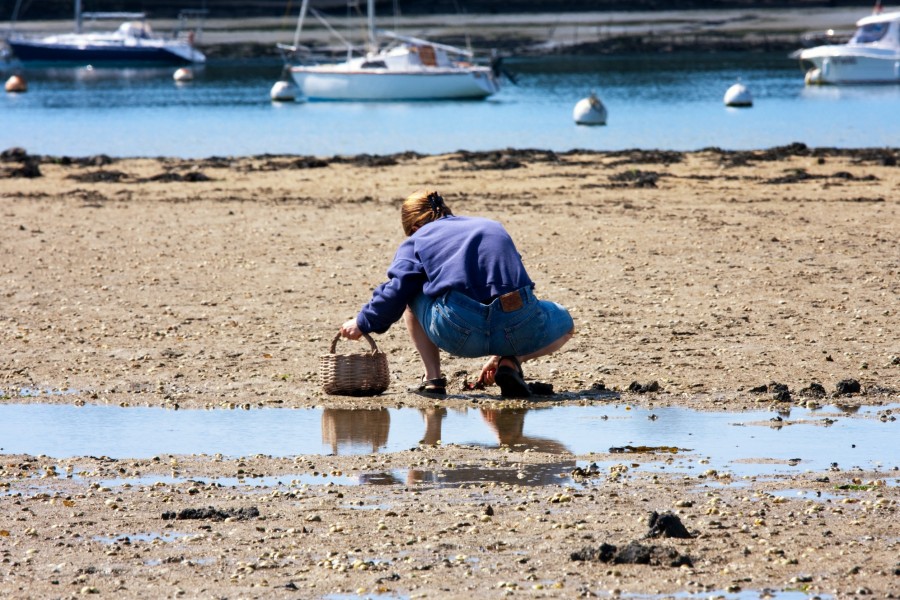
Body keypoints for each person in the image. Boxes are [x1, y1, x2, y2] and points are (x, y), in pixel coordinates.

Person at [339, 189, 574, 398]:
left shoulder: (418, 239)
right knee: (566, 324)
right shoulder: (491, 226)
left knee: (412, 292)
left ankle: (432, 379)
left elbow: (397, 289)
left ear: (414, 227)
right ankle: (511, 362)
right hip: (519, 329)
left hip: (459, 333)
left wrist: (362, 322)